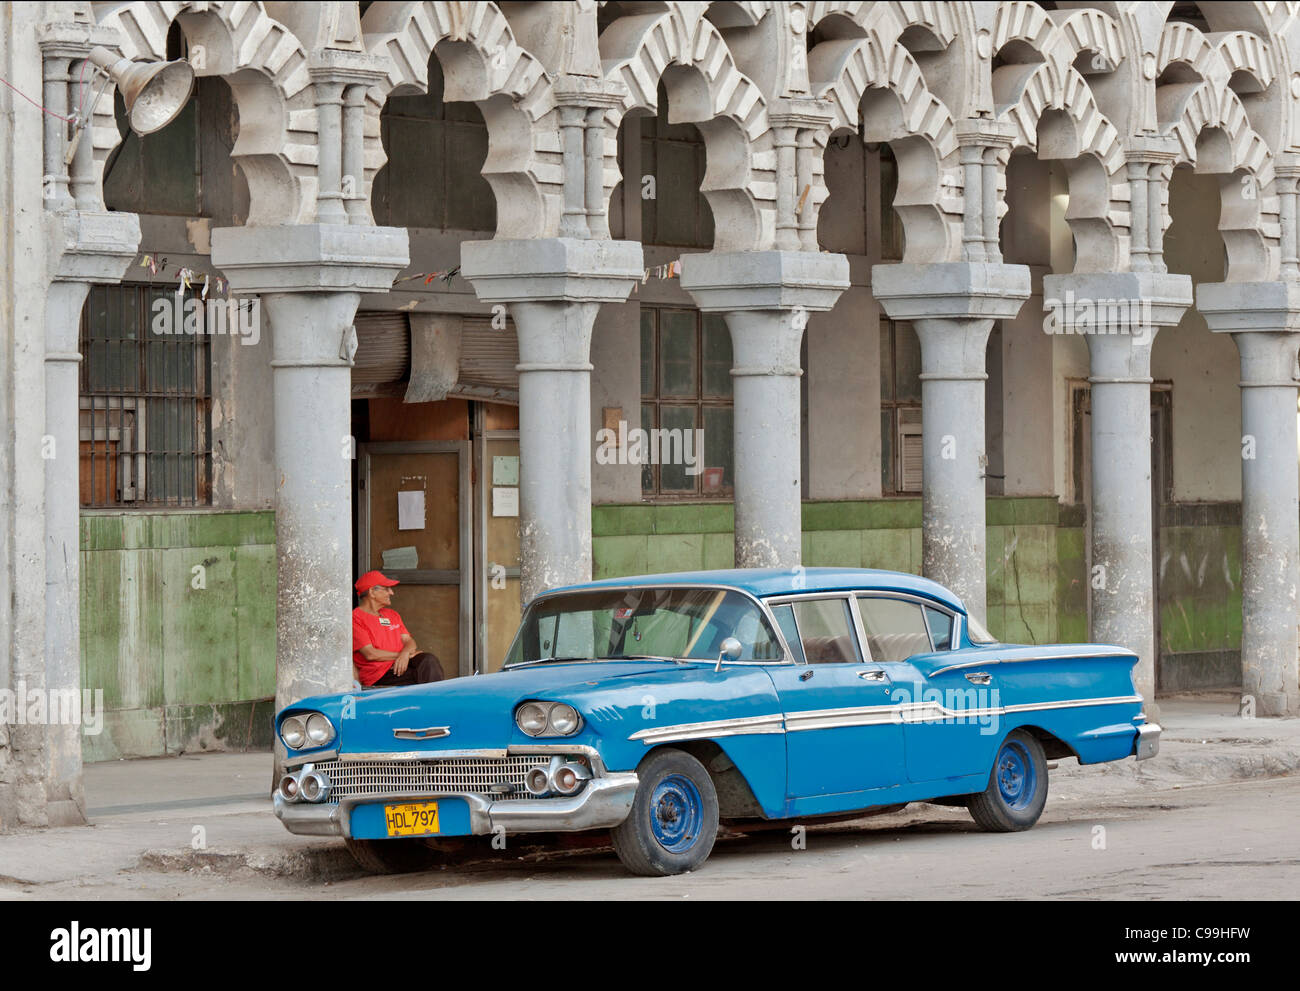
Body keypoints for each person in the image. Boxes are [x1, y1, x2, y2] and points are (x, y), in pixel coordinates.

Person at [352, 571, 445, 687]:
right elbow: (370, 654)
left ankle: (438, 701)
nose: (391, 593)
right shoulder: (355, 618)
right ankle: (438, 703)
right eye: (386, 589)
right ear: (372, 592)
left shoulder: (392, 614)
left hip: (404, 663)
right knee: (424, 676)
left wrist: (405, 653)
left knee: (428, 660)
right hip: (381, 674)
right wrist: (401, 655)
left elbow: (409, 641)